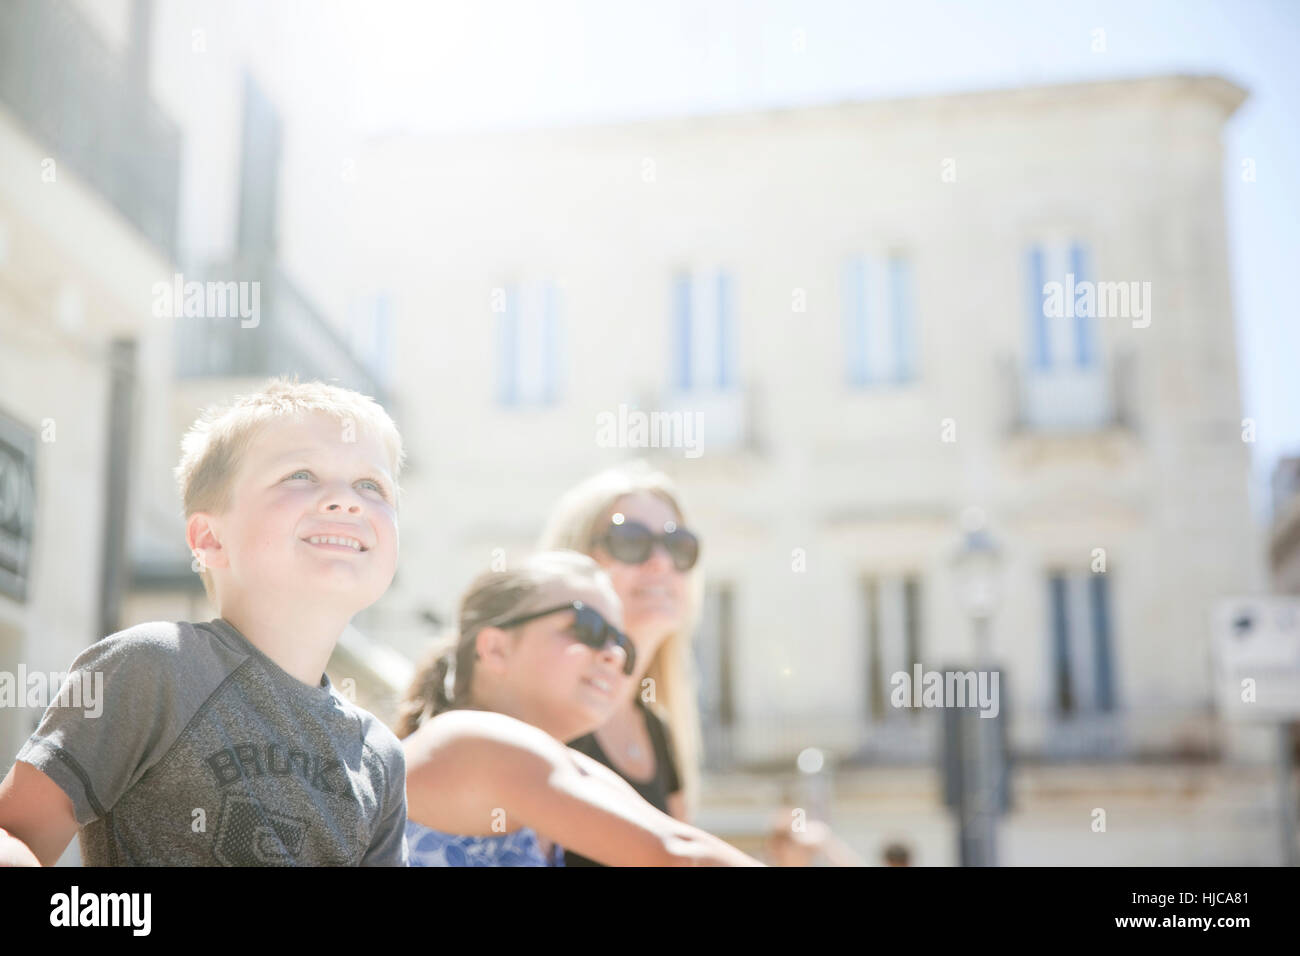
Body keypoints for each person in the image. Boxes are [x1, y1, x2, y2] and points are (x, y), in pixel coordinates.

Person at [0, 378, 409, 866]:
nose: (348, 500)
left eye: (371, 484)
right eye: (301, 475)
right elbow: (12, 837)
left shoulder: (379, 757)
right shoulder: (157, 667)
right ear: (210, 539)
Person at [397, 551, 761, 866]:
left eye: (623, 643)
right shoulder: (468, 739)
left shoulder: (546, 763)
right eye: (587, 626)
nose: (614, 654)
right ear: (495, 649)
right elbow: (679, 855)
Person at [538, 464, 702, 866]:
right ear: (576, 561)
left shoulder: (658, 731)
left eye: (678, 545)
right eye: (631, 540)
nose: (662, 562)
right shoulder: (545, 717)